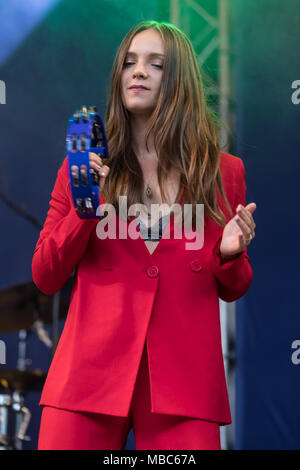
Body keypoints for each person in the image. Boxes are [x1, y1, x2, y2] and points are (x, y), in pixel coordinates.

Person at [33, 20, 256, 450]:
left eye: (156, 64)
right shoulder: (82, 168)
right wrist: (86, 205)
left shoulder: (225, 172)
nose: (138, 72)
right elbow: (45, 274)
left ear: (180, 82)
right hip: (88, 379)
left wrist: (229, 255)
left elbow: (235, 285)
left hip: (184, 385)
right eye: (130, 63)